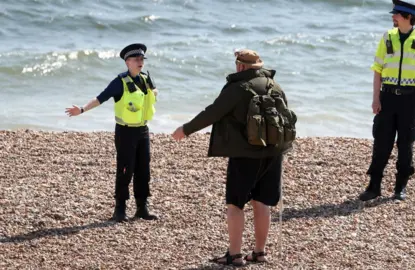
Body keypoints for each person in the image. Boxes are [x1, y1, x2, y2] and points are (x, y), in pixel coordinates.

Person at [172, 49, 296, 266]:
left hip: (245, 155)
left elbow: (213, 112)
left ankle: (235, 254)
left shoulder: (238, 87)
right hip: (274, 153)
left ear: (240, 66)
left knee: (235, 204)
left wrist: (186, 129)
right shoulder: (274, 85)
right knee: (262, 202)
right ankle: (259, 252)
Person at [65, 43, 159, 222]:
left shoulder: (146, 79)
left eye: (142, 59)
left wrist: (154, 92)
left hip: (143, 131)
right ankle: (120, 210)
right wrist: (82, 109)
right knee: (125, 169)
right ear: (127, 62)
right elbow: (101, 97)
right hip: (125, 132)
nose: (140, 62)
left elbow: (151, 96)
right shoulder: (120, 82)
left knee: (143, 169)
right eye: (136, 59)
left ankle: (142, 208)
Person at [360, 0, 415, 201]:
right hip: (388, 97)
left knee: (406, 143)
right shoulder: (387, 38)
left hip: (410, 99)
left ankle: (400, 187)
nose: (393, 17)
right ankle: (374, 186)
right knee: (381, 142)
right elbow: (377, 71)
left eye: (397, 14)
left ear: (408, 17)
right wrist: (375, 98)